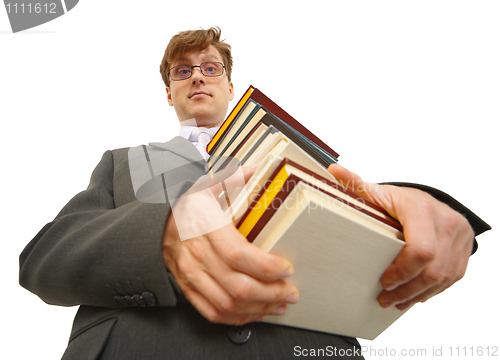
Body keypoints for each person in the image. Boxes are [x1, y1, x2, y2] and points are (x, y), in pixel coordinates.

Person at [19, 27, 490, 360]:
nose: (198, 77)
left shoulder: (294, 152)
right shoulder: (121, 161)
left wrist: (418, 208)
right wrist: (164, 237)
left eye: (210, 68)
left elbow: (358, 211)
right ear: (168, 93)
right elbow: (43, 259)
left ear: (228, 83)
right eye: (183, 72)